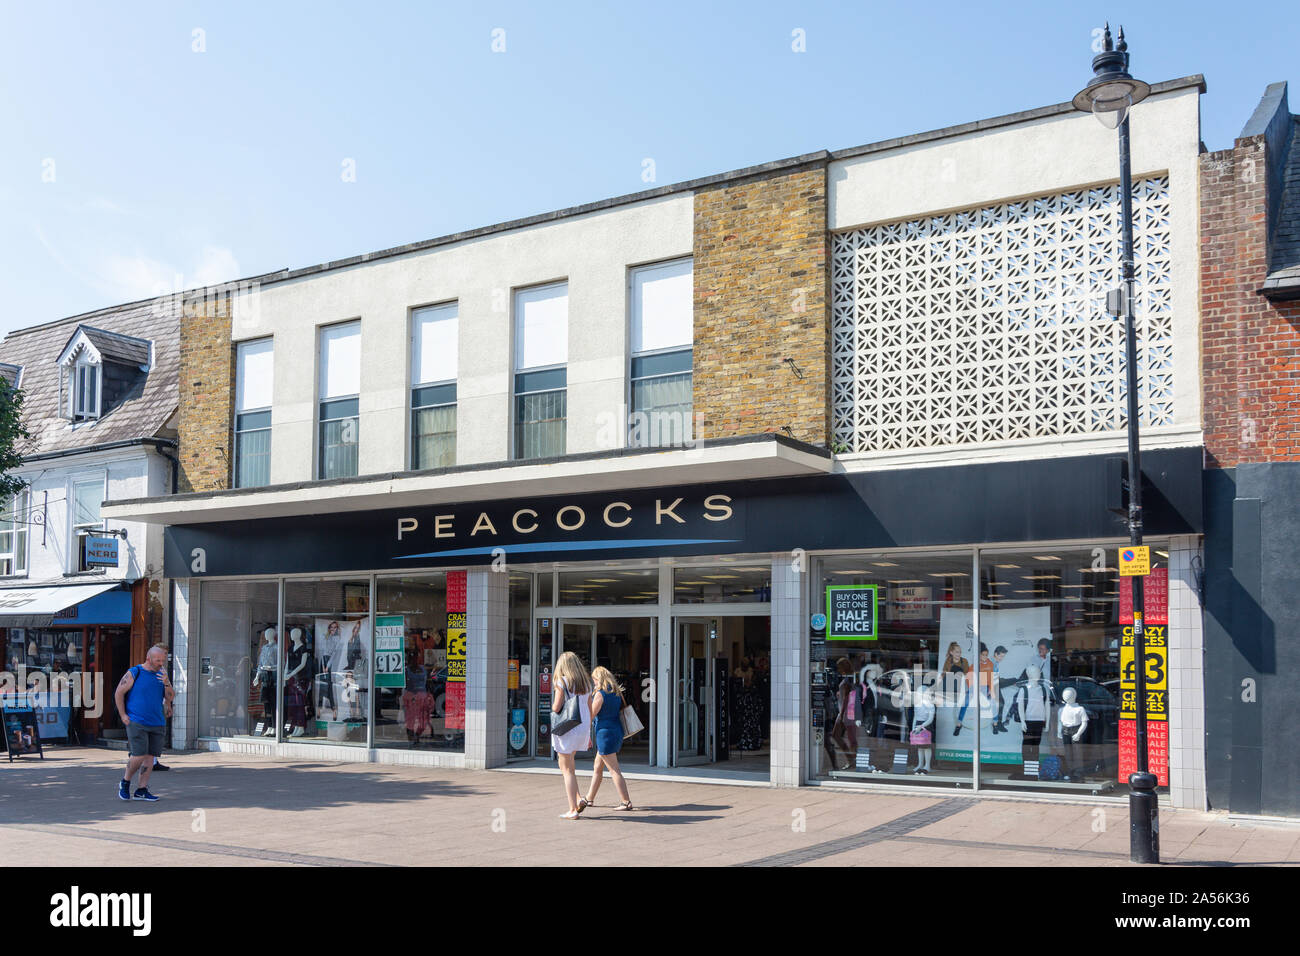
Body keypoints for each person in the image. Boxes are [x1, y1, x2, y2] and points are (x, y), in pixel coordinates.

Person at [115, 645, 174, 802]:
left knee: (150, 757)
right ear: (149, 658)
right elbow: (118, 693)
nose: (161, 663)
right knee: (138, 755)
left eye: (163, 660)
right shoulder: (135, 672)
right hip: (137, 720)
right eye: (158, 660)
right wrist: (123, 715)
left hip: (157, 721)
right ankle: (125, 781)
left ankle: (141, 789)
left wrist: (167, 684)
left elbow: (170, 696)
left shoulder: (162, 674)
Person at [580, 666, 634, 812]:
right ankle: (589, 798)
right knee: (598, 767)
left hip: (605, 734)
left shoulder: (601, 694)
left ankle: (626, 801)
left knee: (614, 769)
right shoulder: (616, 693)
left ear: (599, 679)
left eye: (595, 680)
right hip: (616, 731)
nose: (594, 683)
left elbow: (591, 715)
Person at [550, 651, 592, 820]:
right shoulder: (587, 684)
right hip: (582, 728)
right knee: (570, 766)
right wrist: (588, 733)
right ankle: (578, 798)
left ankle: (572, 810)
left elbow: (556, 707)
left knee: (566, 769)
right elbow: (590, 710)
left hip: (567, 728)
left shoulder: (562, 681)